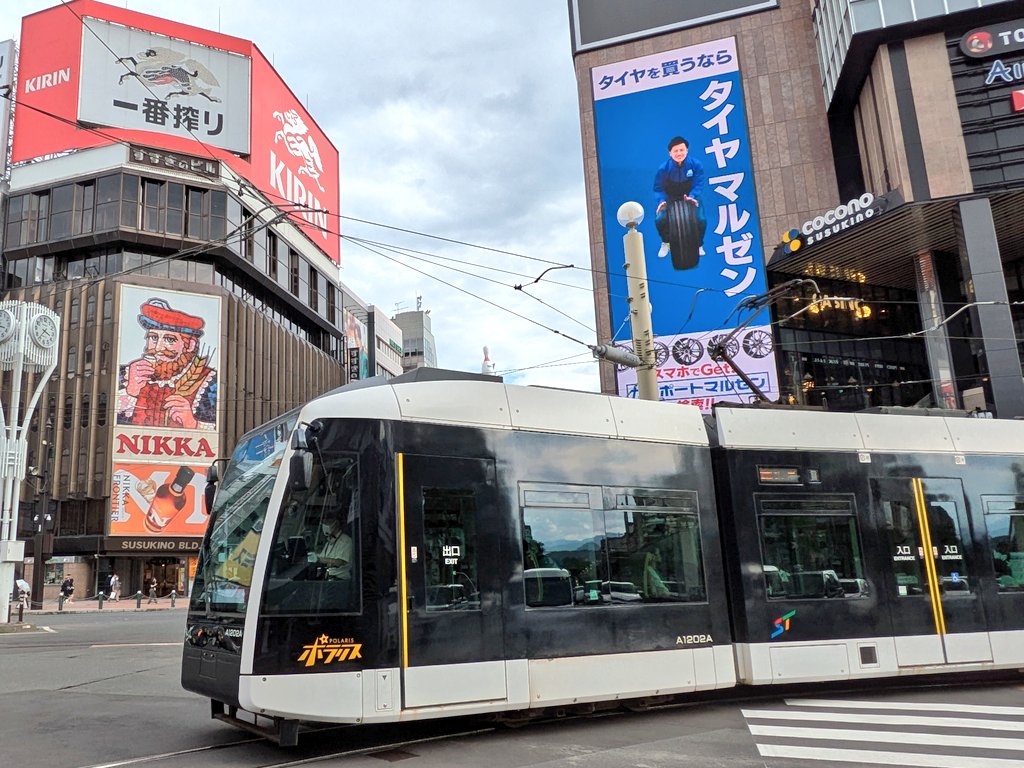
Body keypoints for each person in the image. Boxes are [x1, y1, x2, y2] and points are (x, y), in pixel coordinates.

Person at [117, 298, 217, 429]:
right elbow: (102, 420)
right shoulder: (124, 375)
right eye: (153, 337)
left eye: (170, 339)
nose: (158, 347)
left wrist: (193, 423)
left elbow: (227, 432)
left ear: (190, 345)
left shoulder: (210, 382)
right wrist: (129, 392)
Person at [653, 135, 708, 260]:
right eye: (676, 151)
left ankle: (699, 245)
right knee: (659, 219)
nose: (679, 153)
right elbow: (658, 188)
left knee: (701, 219)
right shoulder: (663, 169)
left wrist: (692, 196)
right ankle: (666, 243)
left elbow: (698, 183)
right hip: (670, 197)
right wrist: (662, 201)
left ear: (687, 150)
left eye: (682, 150)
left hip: (691, 196)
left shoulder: (696, 165)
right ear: (670, 153)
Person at [317, 511, 353, 581]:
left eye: (327, 523)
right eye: (323, 523)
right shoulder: (329, 542)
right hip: (328, 578)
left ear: (336, 523)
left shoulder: (346, 541)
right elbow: (323, 557)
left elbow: (340, 562)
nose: (325, 526)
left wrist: (320, 559)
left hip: (340, 580)